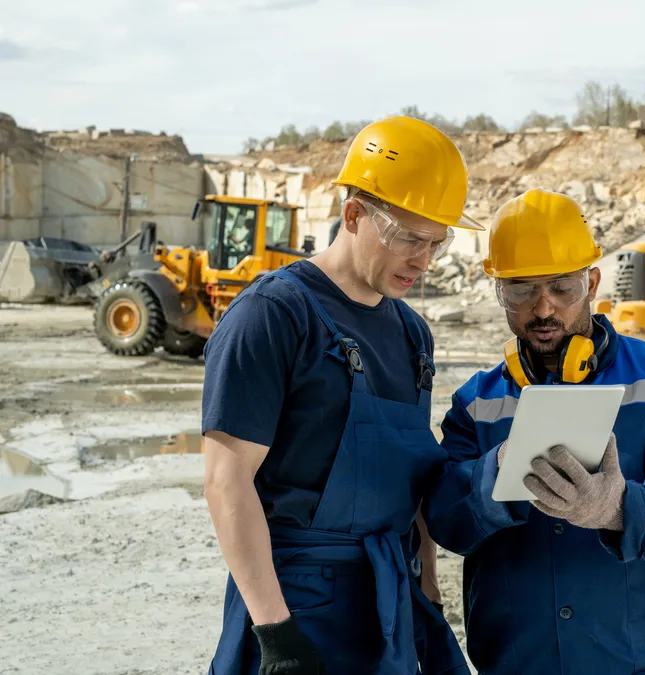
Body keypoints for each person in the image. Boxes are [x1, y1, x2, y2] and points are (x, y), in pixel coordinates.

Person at [201, 116, 482, 675]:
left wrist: (426, 578)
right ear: (353, 214)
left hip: (387, 599)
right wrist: (276, 634)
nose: (423, 261)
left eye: (436, 243)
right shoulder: (273, 315)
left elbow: (413, 474)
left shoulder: (411, 333)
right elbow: (225, 480)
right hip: (295, 600)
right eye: (408, 238)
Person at [423, 189, 645, 675]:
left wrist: (619, 509)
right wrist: (494, 477)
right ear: (499, 291)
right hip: (520, 662)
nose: (543, 308)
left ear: (591, 281)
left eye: (561, 288)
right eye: (521, 289)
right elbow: (445, 520)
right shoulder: (475, 402)